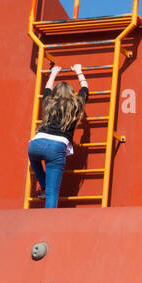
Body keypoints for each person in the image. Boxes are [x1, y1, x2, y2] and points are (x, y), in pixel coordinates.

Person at [28, 63, 89, 208]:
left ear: (56, 94)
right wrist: (79, 71)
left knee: (34, 160)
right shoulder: (76, 104)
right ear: (71, 93)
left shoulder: (49, 102)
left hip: (36, 143)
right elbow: (85, 89)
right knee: (52, 193)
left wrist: (54, 72)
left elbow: (47, 89)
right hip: (56, 147)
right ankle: (47, 224)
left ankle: (42, 185)